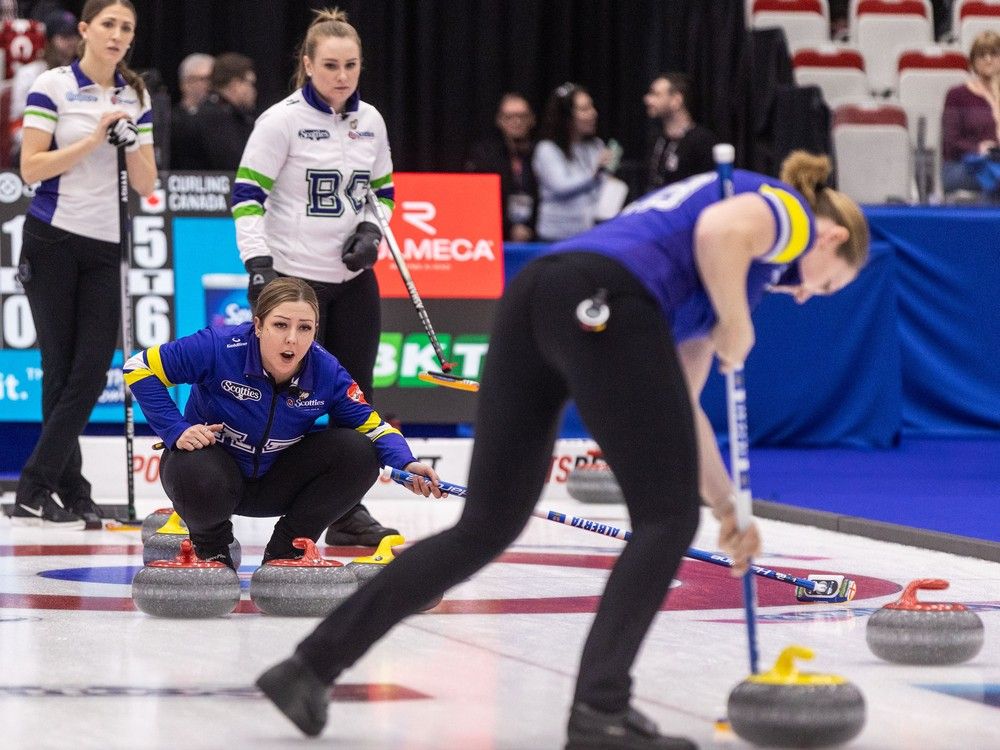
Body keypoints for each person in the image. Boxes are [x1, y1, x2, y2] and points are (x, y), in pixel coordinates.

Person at [255, 150, 870, 748]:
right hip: (605, 297)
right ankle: (601, 710)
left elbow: (681, 407)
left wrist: (729, 507)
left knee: (489, 524)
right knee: (666, 518)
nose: (809, 294)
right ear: (834, 237)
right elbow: (719, 231)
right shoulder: (789, 216)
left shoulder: (720, 287)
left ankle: (307, 669)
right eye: (831, 283)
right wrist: (740, 324)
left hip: (540, 293)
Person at [123, 278, 442, 567]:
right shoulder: (218, 346)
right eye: (280, 325)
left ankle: (288, 549)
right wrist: (175, 430)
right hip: (211, 478)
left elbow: (375, 428)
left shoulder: (327, 371)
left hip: (275, 483)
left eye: (305, 328)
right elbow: (138, 367)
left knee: (360, 451)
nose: (292, 339)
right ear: (258, 325)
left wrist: (406, 463)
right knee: (193, 462)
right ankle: (213, 548)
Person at [231, 7, 398, 547]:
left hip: (352, 286)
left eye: (351, 65)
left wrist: (372, 233)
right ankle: (238, 497)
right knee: (284, 397)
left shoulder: (369, 120)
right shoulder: (280, 121)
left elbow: (384, 194)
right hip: (296, 285)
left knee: (356, 396)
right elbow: (246, 198)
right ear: (307, 64)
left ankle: (348, 511)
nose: (342, 76)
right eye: (330, 65)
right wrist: (258, 265)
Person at [11, 0, 156, 529]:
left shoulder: (134, 94)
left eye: (127, 29)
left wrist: (130, 140)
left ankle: (43, 485)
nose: (118, 35)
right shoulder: (52, 86)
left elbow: (146, 183)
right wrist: (96, 138)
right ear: (87, 30)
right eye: (110, 25)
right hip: (52, 238)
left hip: (104, 245)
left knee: (91, 369)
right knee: (60, 368)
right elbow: (31, 166)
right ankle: (65, 490)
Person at [532, 82, 614, 241]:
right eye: (584, 109)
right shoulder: (547, 149)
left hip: (590, 233)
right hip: (556, 237)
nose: (593, 113)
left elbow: (602, 185)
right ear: (566, 116)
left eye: (592, 107)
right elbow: (561, 185)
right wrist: (594, 173)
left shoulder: (595, 145)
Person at [464, 93, 539, 241]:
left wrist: (531, 228)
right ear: (499, 121)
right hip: (494, 234)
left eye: (522, 116)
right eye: (509, 117)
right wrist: (510, 228)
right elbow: (478, 200)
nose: (517, 121)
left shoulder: (543, 152)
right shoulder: (484, 155)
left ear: (531, 119)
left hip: (538, 233)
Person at [9, 9, 79, 155]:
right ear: (49, 40)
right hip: (35, 146)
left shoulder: (83, 72)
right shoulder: (29, 73)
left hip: (73, 144)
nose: (72, 41)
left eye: (75, 35)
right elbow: (16, 122)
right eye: (65, 36)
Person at [941, 30, 1000, 196]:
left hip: (997, 164)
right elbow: (951, 143)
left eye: (994, 54)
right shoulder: (957, 94)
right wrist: (979, 148)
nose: (988, 60)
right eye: (982, 55)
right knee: (992, 175)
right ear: (973, 62)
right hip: (963, 166)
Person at [642, 73, 717, 192]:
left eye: (656, 94)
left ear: (676, 100)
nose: (647, 100)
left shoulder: (701, 141)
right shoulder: (655, 138)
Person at [186, 51, 256, 170]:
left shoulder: (233, 115)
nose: (253, 90)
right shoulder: (215, 118)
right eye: (250, 83)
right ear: (235, 85)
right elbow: (234, 165)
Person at [168, 52, 213, 170]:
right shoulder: (171, 120)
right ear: (185, 83)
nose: (210, 85)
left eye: (213, 79)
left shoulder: (223, 120)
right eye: (204, 79)